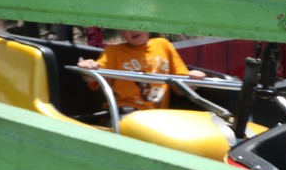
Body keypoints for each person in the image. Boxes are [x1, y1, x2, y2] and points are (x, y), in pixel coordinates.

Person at [77, 29, 206, 111]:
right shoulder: (113, 52)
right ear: (120, 31)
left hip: (158, 118)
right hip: (124, 114)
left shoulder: (163, 45)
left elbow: (181, 89)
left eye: (138, 24)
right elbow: (93, 78)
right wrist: (88, 68)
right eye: (126, 26)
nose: (133, 30)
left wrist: (194, 80)